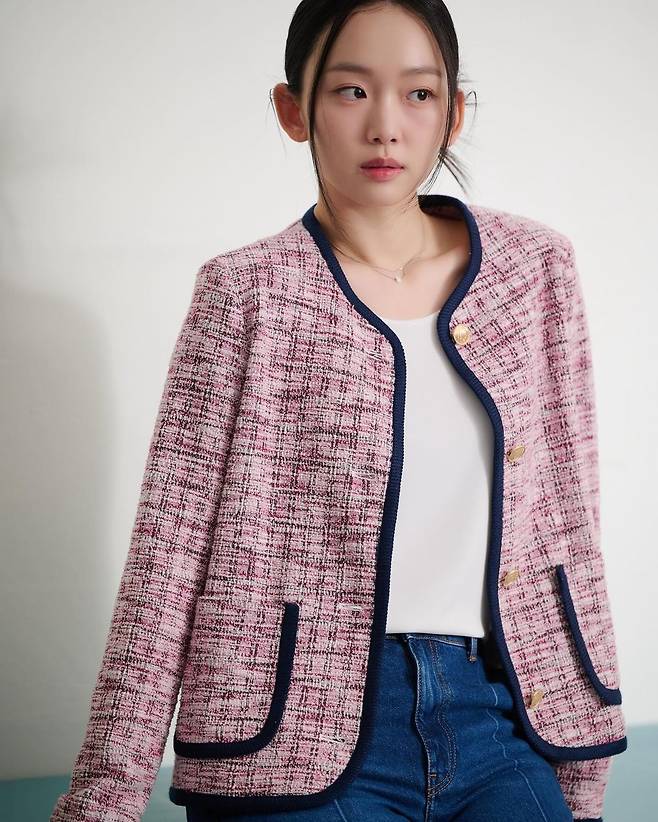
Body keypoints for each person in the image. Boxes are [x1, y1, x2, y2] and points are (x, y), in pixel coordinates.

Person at [51, 2, 627, 821]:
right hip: (290, 734)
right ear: (295, 111)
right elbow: (168, 553)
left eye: (419, 94)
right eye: (352, 90)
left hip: (498, 715)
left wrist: (582, 762)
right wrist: (104, 800)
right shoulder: (245, 293)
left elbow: (568, 515)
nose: (386, 126)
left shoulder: (535, 271)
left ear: (454, 113)